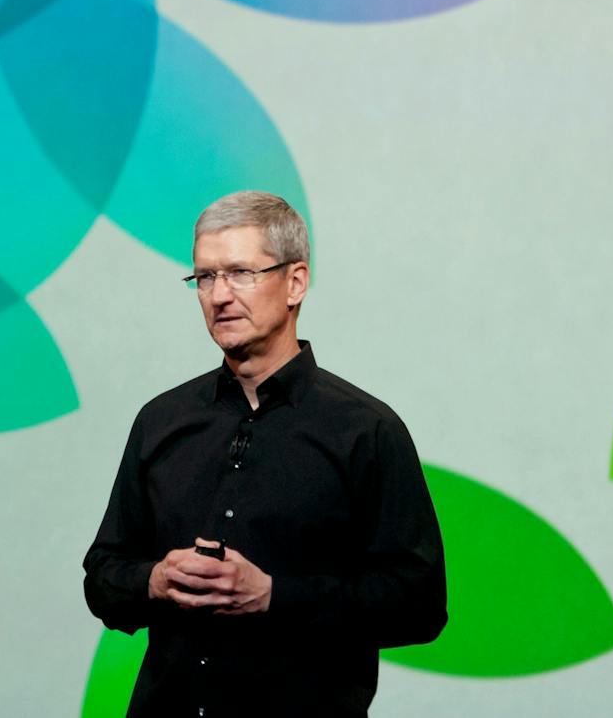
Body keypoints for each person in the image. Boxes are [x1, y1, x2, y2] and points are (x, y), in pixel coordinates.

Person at [82, 190, 445, 716]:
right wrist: (155, 580)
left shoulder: (366, 431)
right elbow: (103, 576)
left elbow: (419, 604)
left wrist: (275, 595)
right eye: (204, 277)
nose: (219, 295)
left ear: (295, 282)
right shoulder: (161, 421)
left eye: (240, 273)